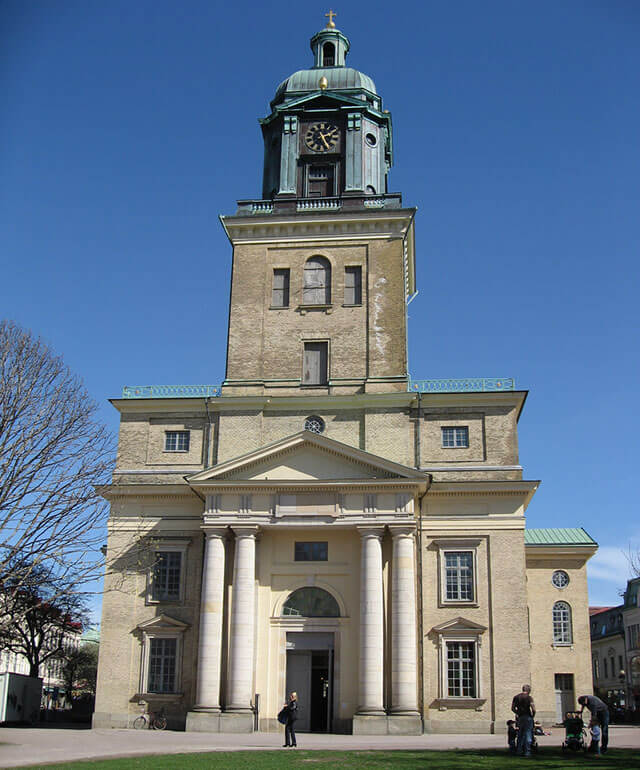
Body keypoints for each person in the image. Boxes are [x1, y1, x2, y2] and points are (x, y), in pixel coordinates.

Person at [511, 684, 535, 757]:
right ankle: (527, 751)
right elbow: (533, 708)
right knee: (528, 733)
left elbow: (512, 708)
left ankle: (519, 750)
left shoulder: (516, 697)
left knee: (520, 734)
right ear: (528, 690)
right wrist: (533, 715)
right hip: (527, 717)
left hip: (520, 717)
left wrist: (518, 713)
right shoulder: (529, 698)